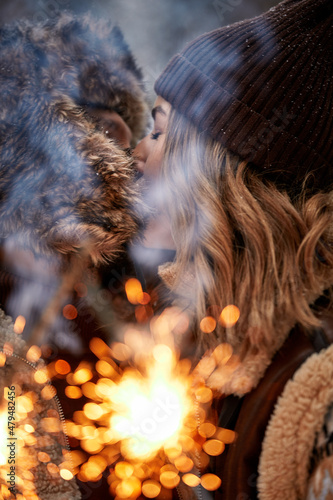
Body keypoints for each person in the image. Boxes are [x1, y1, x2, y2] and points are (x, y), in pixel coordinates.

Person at [133, 0, 333, 498]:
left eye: (157, 132)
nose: (135, 155)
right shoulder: (177, 328)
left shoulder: (318, 393)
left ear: (214, 180)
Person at [0, 12, 149, 499]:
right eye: (106, 127)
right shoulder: (23, 279)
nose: (127, 151)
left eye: (129, 129)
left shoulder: (117, 270)